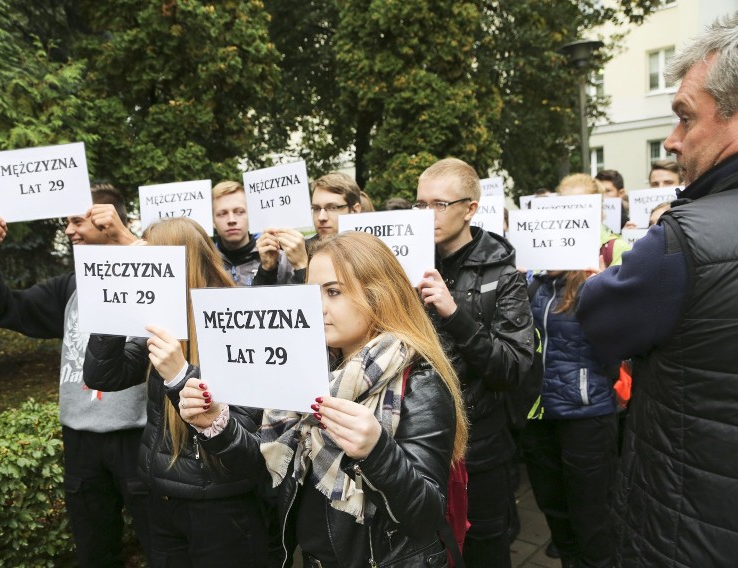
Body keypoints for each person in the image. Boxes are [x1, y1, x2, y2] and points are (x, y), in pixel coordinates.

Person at [168, 230, 468, 567]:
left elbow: (425, 516)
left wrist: (377, 451)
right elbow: (271, 468)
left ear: (379, 295)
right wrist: (216, 425)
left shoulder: (419, 382)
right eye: (313, 293)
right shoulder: (309, 371)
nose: (318, 306)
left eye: (334, 292)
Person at [576, 14, 738, 566]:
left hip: (688, 524)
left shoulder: (683, 242)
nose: (671, 142)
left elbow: (598, 317)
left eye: (684, 118)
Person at [0, 184, 150, 567]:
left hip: (141, 437)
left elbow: (189, 280)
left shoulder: (153, 275)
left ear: (108, 221)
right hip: (81, 444)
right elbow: (2, 308)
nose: (68, 231)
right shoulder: (67, 288)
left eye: (76, 221)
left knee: (161, 544)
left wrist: (128, 239)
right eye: (65, 223)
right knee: (93, 552)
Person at [82, 217, 268, 567]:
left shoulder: (236, 321)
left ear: (176, 262)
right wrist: (116, 294)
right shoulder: (164, 321)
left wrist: (179, 375)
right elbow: (102, 374)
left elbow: (246, 438)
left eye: (151, 261)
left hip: (221, 505)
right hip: (162, 500)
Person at [414, 158, 535, 568]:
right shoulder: (407, 263)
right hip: (417, 441)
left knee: (484, 547)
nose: (427, 215)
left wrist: (454, 314)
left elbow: (513, 368)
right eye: (420, 205)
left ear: (469, 208)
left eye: (438, 204)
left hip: (479, 446)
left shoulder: (503, 273)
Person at [523, 269, 619, 568]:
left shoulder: (595, 285)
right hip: (540, 415)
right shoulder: (533, 285)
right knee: (554, 508)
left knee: (591, 515)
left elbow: (615, 350)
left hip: (586, 417)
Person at [210, 180, 305, 286]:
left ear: (251, 215)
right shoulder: (204, 261)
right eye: (222, 214)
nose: (231, 220)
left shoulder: (281, 257)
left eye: (240, 212)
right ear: (212, 220)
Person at [556, 173, 630, 267]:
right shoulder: (550, 247)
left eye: (579, 205)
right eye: (564, 205)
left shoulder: (618, 249)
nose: (571, 212)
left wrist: (601, 279)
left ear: (598, 207)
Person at [307, 172, 362, 252]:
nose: (321, 217)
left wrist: (302, 264)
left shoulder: (372, 251)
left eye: (333, 208)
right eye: (316, 208)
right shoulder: (301, 252)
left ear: (355, 210)